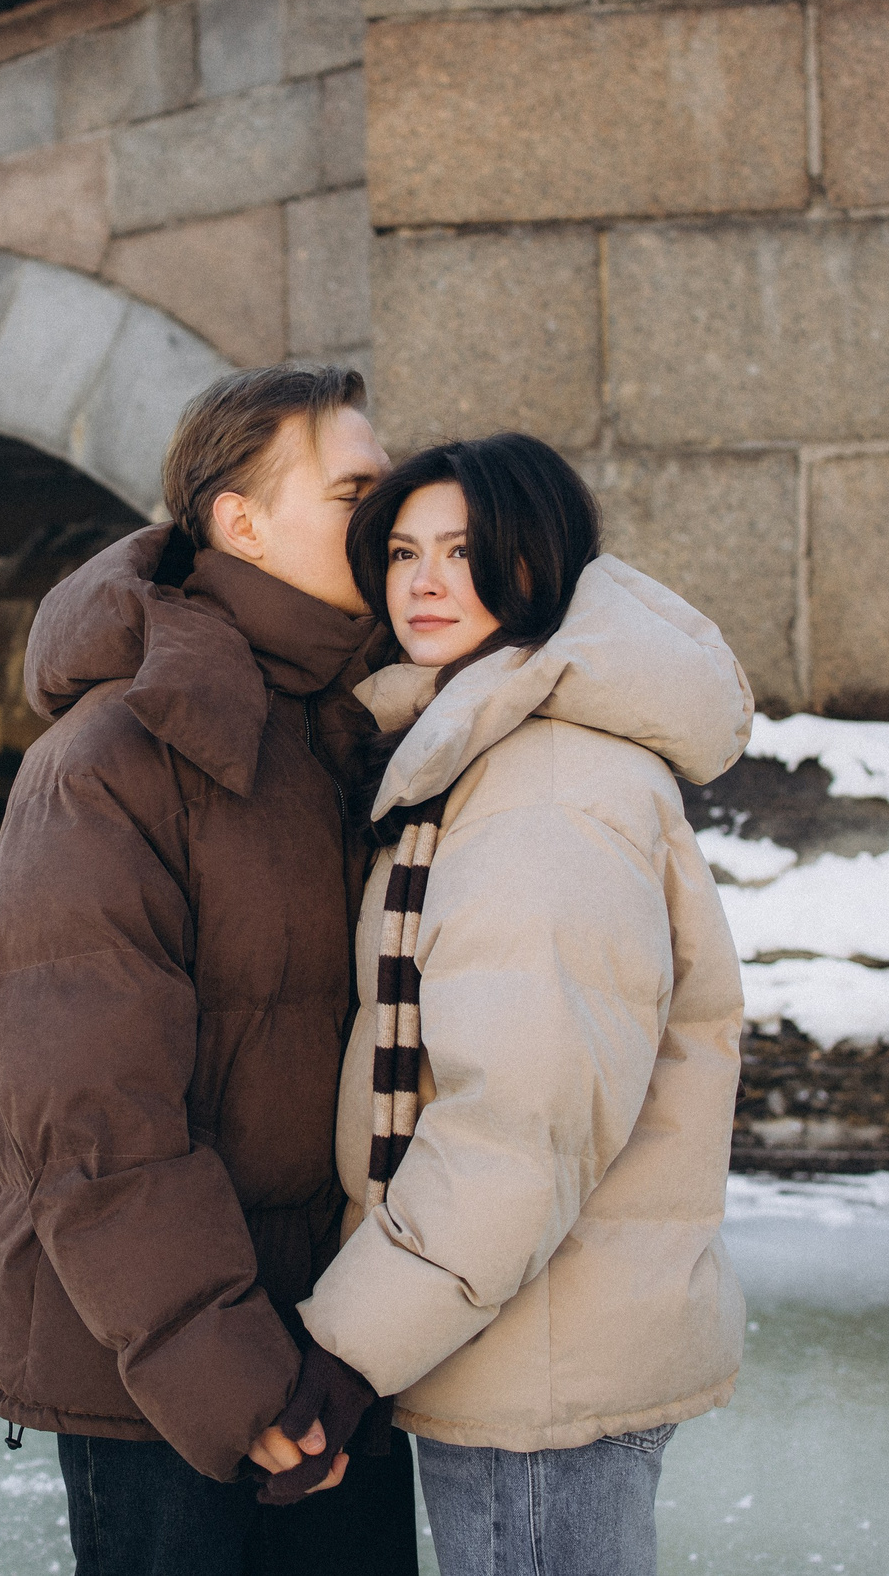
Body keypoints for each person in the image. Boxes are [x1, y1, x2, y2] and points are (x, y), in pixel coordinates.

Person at [0, 364, 422, 1575]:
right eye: (353, 490)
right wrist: (233, 1376)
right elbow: (94, 1113)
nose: (391, 519)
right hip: (171, 1381)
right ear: (239, 520)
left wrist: (344, 1350)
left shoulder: (344, 730)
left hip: (328, 1355)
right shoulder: (110, 759)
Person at [293, 432, 754, 1576]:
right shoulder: (479, 752)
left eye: (462, 550)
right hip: (523, 1336)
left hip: (537, 1365)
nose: (424, 581)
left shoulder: (542, 789)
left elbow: (519, 1121)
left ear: (538, 566)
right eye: (402, 552)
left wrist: (348, 1350)